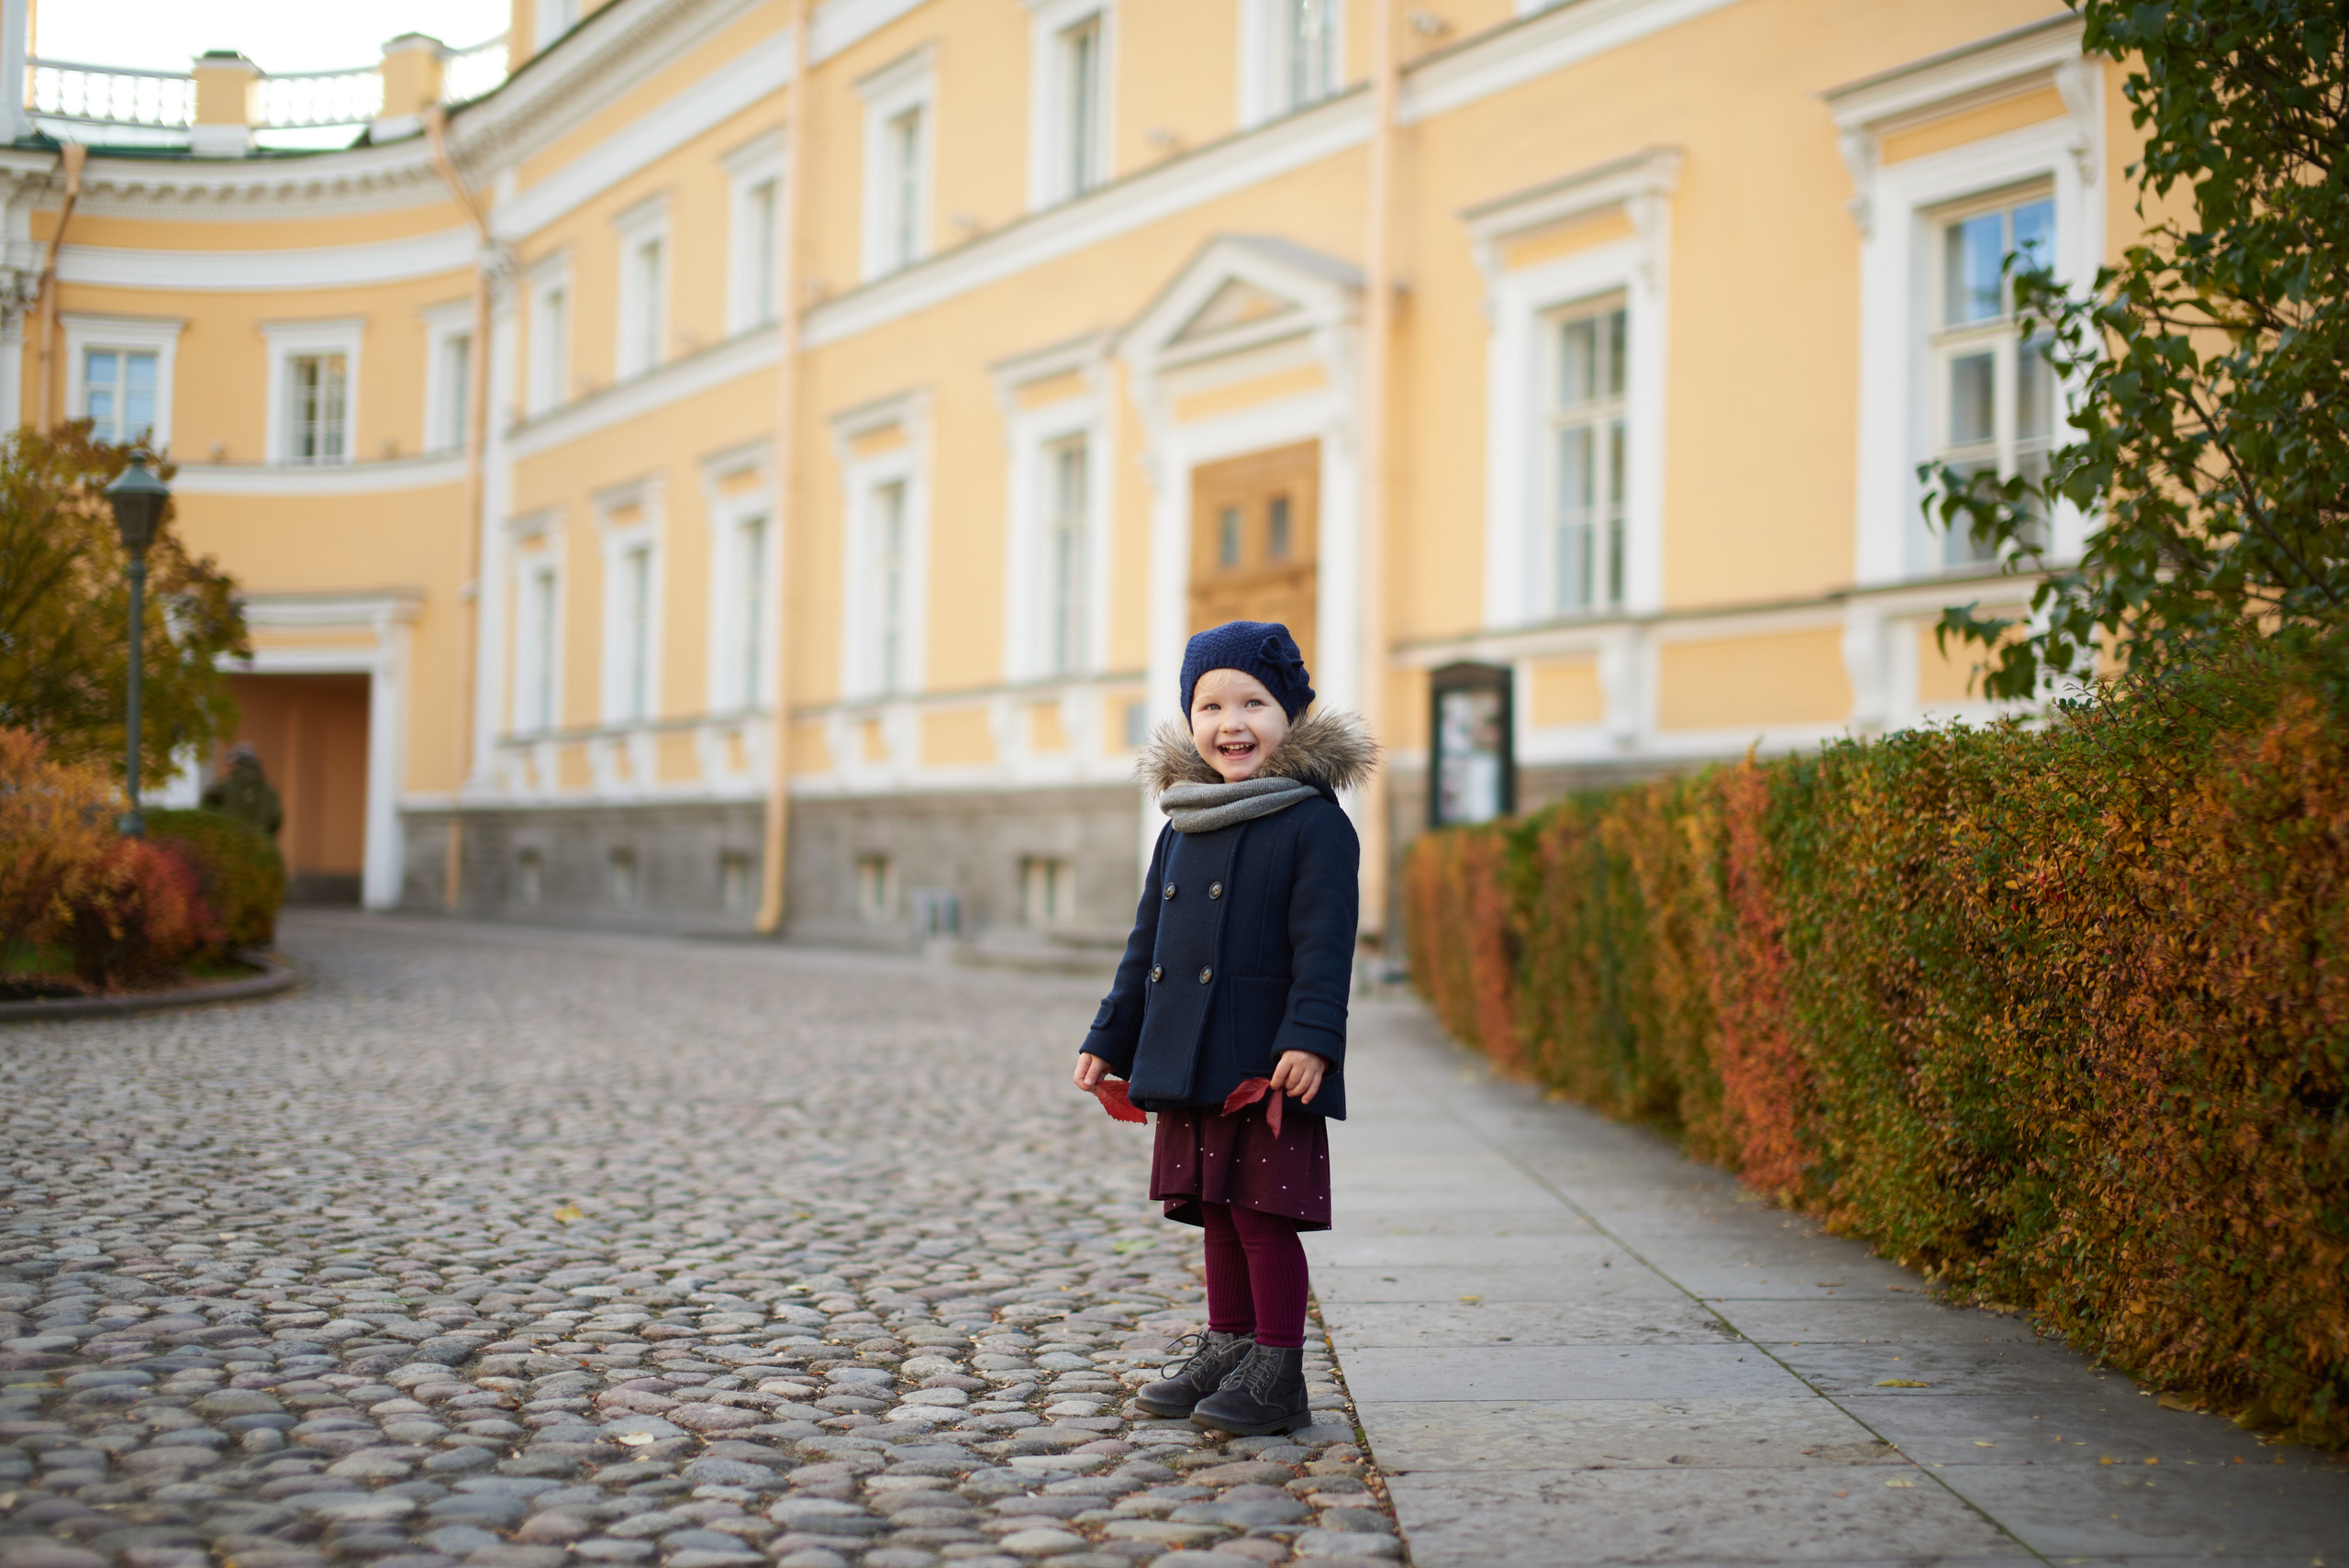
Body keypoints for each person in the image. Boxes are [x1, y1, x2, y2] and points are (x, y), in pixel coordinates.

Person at [1074, 619, 1375, 1436]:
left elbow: (1325, 944)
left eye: (1253, 703)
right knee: (1214, 1207)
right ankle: (1231, 1342)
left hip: (1263, 1059)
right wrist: (1110, 1035)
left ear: (1290, 714)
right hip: (1190, 1052)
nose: (1230, 723)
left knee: (1260, 1213)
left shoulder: (1313, 823)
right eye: (1209, 706)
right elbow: (1147, 943)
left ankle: (1278, 1370)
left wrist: (1313, 1036)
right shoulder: (1182, 821)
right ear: (1189, 718)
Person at [201, 743, 284, 840]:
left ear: (235, 764)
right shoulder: (270, 792)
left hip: (227, 844)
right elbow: (276, 821)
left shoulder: (220, 788)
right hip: (260, 846)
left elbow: (205, 814)